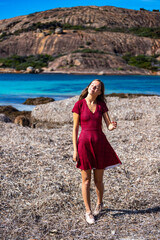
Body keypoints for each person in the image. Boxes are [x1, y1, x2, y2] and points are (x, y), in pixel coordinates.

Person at [72, 79, 122, 224]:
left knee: (98, 180)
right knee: (86, 180)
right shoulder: (79, 105)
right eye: (92, 85)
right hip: (84, 145)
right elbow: (75, 129)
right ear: (88, 87)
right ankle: (88, 212)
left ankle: (99, 203)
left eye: (97, 87)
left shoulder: (101, 105)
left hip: (100, 144)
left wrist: (113, 126)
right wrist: (75, 150)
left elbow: (108, 126)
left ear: (100, 92)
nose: (94, 88)